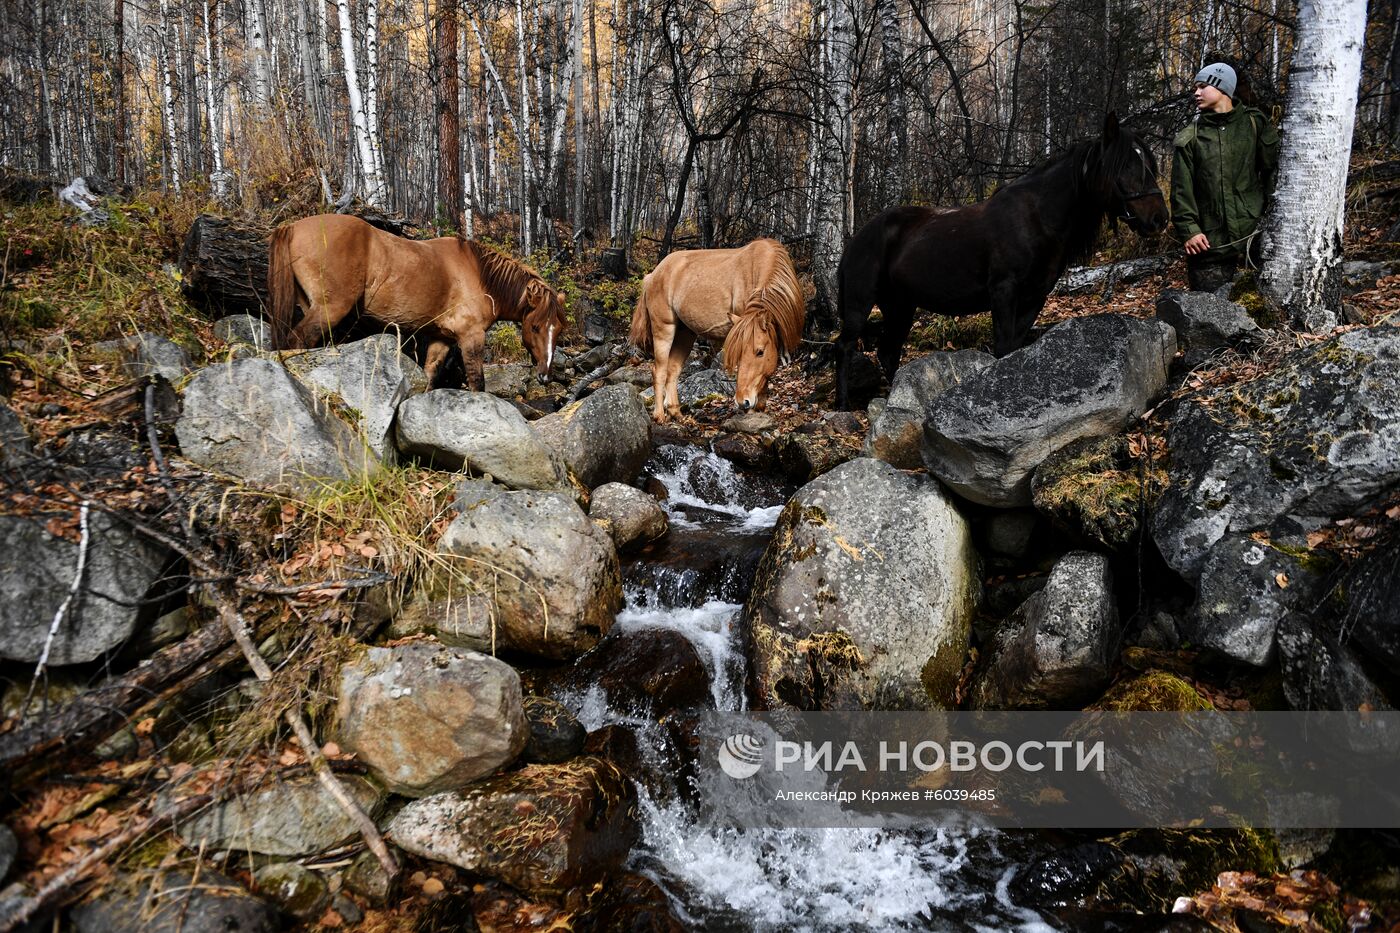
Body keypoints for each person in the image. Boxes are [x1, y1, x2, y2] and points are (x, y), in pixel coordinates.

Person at [1170, 62, 1280, 293]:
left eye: (1202, 86)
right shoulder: (1190, 137)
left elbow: (1273, 171)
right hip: (1210, 246)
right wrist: (1189, 230)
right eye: (1195, 88)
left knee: (1264, 311)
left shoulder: (1254, 124)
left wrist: (1273, 218)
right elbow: (1181, 191)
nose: (1196, 93)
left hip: (1255, 239)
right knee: (1209, 317)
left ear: (1222, 88)